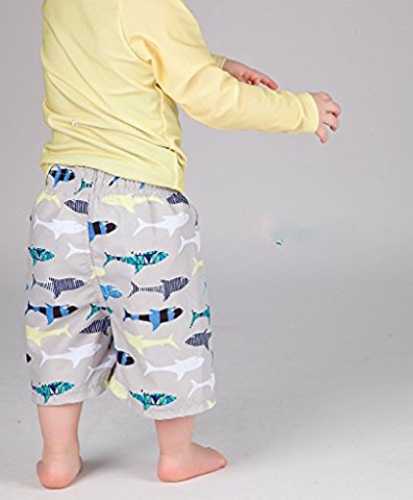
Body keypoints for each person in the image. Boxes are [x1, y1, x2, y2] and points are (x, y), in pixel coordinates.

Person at [24, 0, 341, 489]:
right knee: (168, 333)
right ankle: (177, 454)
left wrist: (217, 63)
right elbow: (209, 99)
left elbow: (120, 51)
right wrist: (301, 110)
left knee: (59, 332)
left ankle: (58, 458)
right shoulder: (152, 6)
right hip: (139, 206)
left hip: (59, 203)